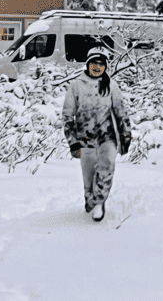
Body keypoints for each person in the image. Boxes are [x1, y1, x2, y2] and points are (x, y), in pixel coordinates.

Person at [62, 46, 132, 222]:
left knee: (106, 167)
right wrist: (72, 141)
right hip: (85, 138)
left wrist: (125, 135)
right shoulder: (76, 86)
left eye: (101, 64)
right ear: (87, 64)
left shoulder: (111, 85)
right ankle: (90, 202)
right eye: (94, 62)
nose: (97, 66)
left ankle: (100, 202)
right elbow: (67, 115)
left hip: (107, 136)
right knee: (89, 175)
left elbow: (121, 111)